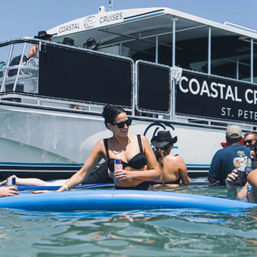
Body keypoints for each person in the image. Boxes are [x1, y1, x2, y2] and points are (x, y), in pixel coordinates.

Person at [56, 104, 160, 191]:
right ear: (109, 126)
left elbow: (157, 173)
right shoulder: (103, 145)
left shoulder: (141, 140)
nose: (125, 127)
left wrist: (131, 174)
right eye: (120, 125)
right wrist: (61, 190)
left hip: (145, 191)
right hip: (122, 193)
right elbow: (82, 173)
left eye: (128, 122)